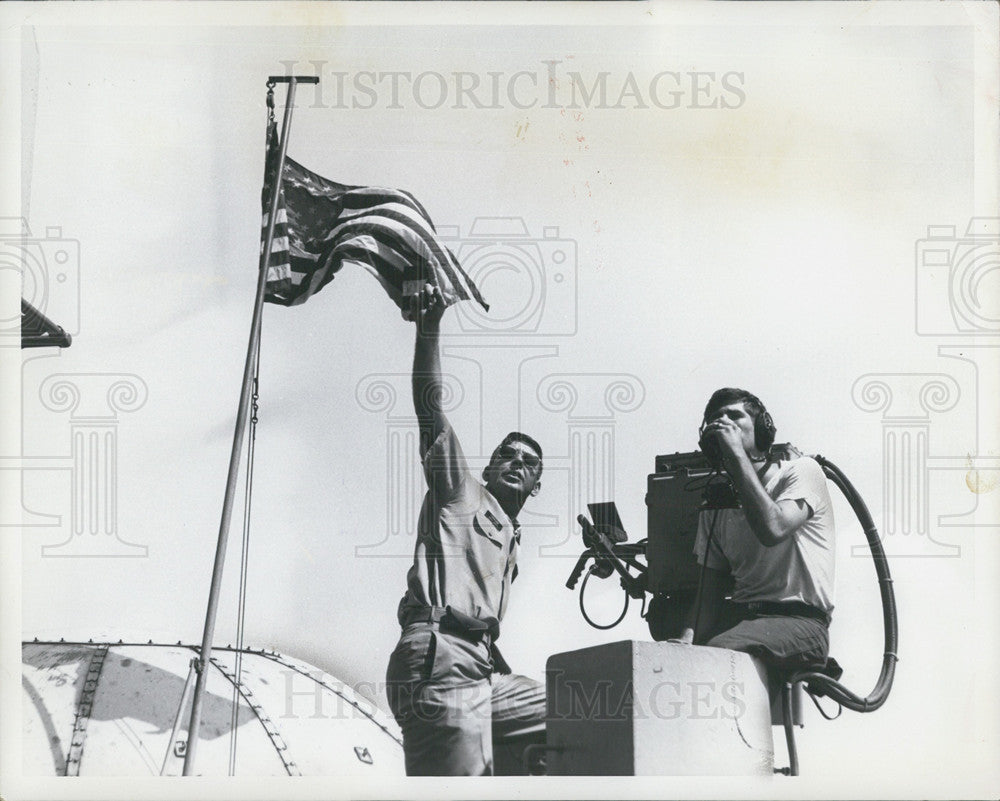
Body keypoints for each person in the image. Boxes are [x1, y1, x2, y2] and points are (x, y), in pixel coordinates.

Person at [385, 283, 546, 776]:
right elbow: (430, 412)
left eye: (529, 462)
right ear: (491, 467)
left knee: (585, 715)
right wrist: (429, 326)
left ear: (536, 485)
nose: (516, 463)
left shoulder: (510, 535)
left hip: (482, 667)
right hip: (440, 656)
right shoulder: (462, 491)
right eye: (507, 455)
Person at [677, 388, 836, 672]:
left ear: (762, 429)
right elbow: (708, 596)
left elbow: (773, 528)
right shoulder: (716, 502)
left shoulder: (801, 471)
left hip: (800, 623)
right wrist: (683, 643)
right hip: (742, 622)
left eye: (735, 416)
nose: (723, 422)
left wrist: (736, 454)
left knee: (716, 654)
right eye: (715, 418)